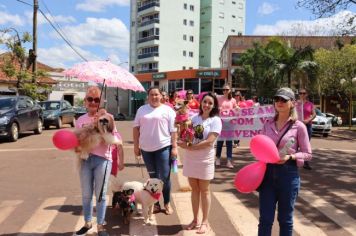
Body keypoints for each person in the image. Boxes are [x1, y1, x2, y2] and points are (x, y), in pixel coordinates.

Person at [258, 87, 312, 236]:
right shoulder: (267, 124)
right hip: (267, 174)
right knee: (265, 219)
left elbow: (308, 154)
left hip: (288, 175)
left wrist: (290, 157)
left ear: (292, 103)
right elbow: (261, 146)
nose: (279, 102)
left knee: (285, 220)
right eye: (277, 99)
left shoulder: (299, 126)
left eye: (284, 100)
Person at [74, 86, 124, 236]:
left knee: (101, 194)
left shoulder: (108, 117)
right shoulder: (80, 120)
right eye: (90, 99)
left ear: (100, 101)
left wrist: (101, 127)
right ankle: (88, 222)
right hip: (84, 160)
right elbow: (76, 142)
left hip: (103, 160)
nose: (93, 102)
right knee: (87, 194)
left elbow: (116, 139)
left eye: (96, 100)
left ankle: (101, 225)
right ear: (85, 101)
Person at [178, 92, 222, 234]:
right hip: (191, 159)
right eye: (205, 102)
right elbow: (184, 134)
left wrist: (190, 147)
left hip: (205, 159)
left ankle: (205, 221)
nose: (207, 105)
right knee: (194, 190)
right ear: (200, 103)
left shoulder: (215, 120)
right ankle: (195, 219)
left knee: (204, 190)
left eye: (210, 103)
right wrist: (181, 126)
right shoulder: (193, 118)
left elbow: (209, 141)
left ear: (214, 105)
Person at [133, 87, 178, 215]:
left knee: (164, 178)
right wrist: (136, 146)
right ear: (148, 96)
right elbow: (136, 128)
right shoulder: (141, 110)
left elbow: (173, 130)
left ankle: (167, 203)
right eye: (151, 95)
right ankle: (156, 204)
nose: (154, 97)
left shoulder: (168, 110)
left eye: (156, 94)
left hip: (163, 148)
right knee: (153, 178)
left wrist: (174, 147)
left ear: (161, 96)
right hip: (146, 150)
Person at [216, 84, 237, 168]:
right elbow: (214, 106)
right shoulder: (219, 98)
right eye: (224, 89)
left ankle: (229, 160)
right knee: (219, 142)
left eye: (227, 89)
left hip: (230, 123)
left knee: (229, 143)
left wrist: (238, 108)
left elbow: (236, 107)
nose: (225, 91)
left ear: (230, 90)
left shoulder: (233, 100)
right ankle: (218, 158)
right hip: (220, 122)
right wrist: (218, 109)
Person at [296, 88, 316, 170]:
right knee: (294, 142)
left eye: (304, 93)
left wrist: (308, 120)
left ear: (306, 94)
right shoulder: (295, 103)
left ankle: (306, 162)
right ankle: (294, 159)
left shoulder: (310, 104)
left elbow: (314, 114)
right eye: (300, 93)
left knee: (306, 143)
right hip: (297, 125)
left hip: (307, 126)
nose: (302, 95)